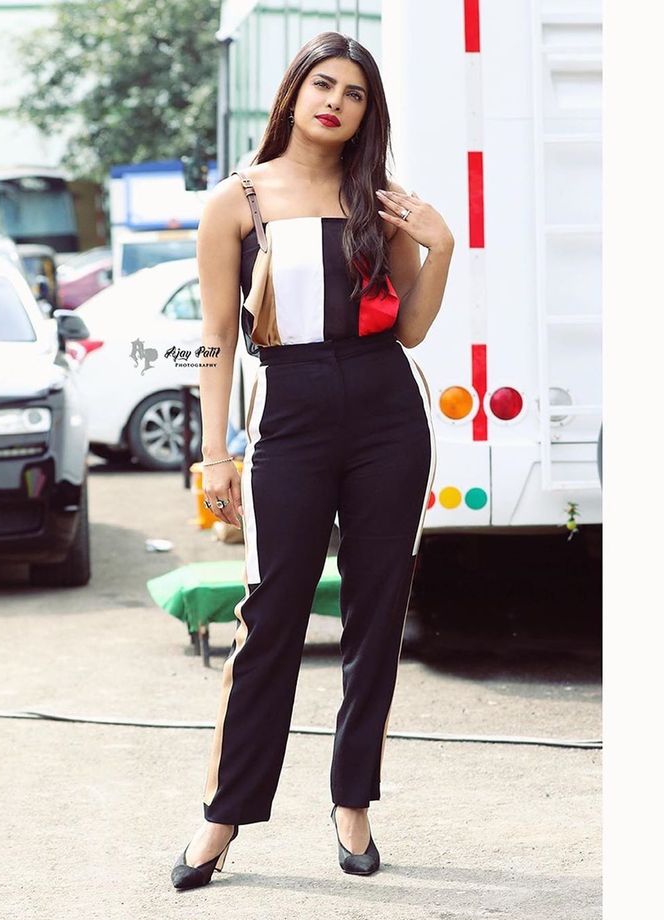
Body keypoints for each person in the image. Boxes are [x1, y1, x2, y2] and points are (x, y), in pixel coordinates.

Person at [171, 30, 453, 890]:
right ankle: (224, 815)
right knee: (274, 618)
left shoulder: (384, 201)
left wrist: (442, 247)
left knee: (377, 614)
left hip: (386, 415)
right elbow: (215, 339)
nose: (336, 100)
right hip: (286, 414)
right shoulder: (236, 202)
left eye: (355, 92)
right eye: (322, 84)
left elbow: (409, 329)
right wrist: (213, 453)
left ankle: (354, 803)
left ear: (369, 112)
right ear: (294, 92)